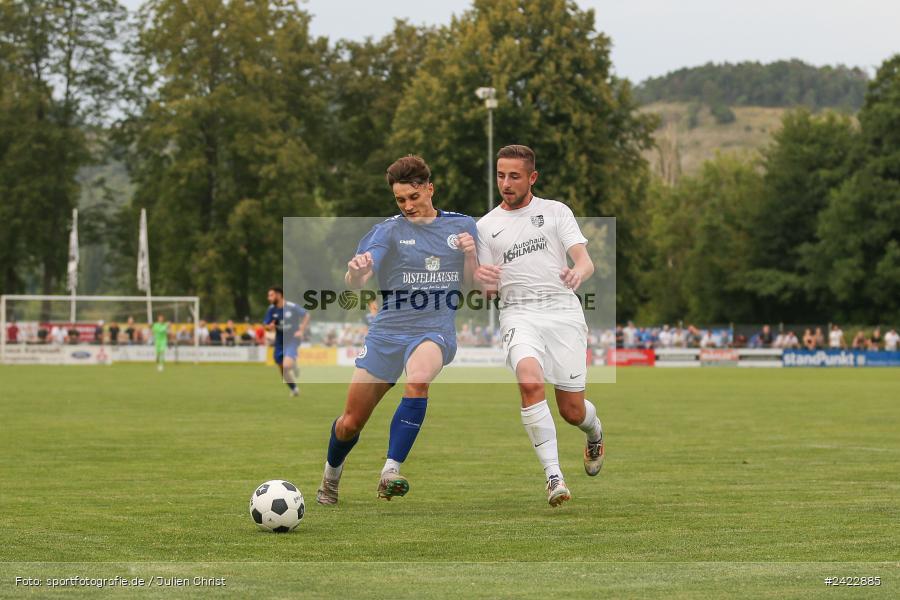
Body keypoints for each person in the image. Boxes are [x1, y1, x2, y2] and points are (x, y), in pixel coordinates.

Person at [315, 155, 477, 506]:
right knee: (350, 423)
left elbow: (472, 284)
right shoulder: (387, 230)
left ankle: (390, 471)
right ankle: (330, 476)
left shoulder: (462, 226)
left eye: (413, 198)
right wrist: (357, 271)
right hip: (387, 332)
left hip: (434, 329)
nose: (407, 206)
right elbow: (357, 278)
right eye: (400, 200)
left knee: (418, 380)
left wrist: (469, 255)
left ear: (429, 189)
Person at [474, 144, 604, 507]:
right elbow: (485, 291)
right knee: (530, 382)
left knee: (571, 411)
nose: (506, 183)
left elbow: (584, 261)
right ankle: (553, 477)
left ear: (532, 177)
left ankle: (594, 432)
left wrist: (577, 271)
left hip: (563, 312)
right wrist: (481, 279)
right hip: (518, 314)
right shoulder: (486, 227)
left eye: (514, 176)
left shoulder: (555, 212)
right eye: (500, 175)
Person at [264, 286, 310, 397]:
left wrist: (301, 330)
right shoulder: (271, 309)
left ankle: (293, 365)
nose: (269, 298)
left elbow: (306, 315)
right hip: (279, 342)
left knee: (286, 365)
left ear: (279, 295)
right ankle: (294, 389)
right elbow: (266, 325)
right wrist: (268, 327)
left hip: (292, 340)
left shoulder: (291, 307)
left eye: (271, 295)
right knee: (283, 370)